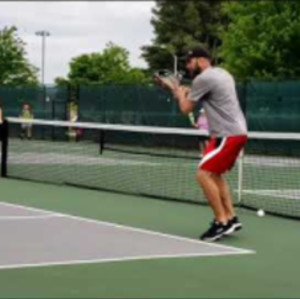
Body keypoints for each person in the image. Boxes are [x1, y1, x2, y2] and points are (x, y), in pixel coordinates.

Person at [172, 45, 248, 241]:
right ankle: (231, 218)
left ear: (199, 59)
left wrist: (180, 95)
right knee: (215, 175)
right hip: (233, 132)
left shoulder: (203, 78)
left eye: (189, 62)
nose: (188, 66)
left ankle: (221, 222)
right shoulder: (222, 73)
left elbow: (185, 108)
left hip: (227, 134)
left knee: (203, 175)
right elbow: (208, 96)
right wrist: (187, 92)